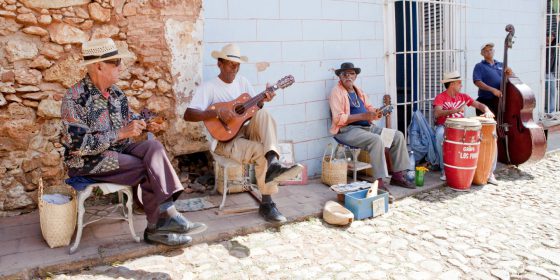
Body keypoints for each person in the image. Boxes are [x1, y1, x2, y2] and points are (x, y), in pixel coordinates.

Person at [61, 38, 206, 247]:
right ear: (98, 66)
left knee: (153, 147)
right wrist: (119, 133)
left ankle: (165, 215)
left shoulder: (117, 94)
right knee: (147, 167)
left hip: (119, 152)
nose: (121, 66)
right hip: (87, 162)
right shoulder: (74, 98)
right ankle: (159, 225)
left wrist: (146, 124)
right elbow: (79, 145)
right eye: (116, 62)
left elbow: (130, 119)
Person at [183, 43, 302, 223]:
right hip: (225, 141)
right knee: (261, 150)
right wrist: (216, 112)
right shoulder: (209, 87)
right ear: (220, 64)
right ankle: (267, 203)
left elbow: (252, 111)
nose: (235, 69)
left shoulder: (243, 82)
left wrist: (263, 100)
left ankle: (273, 162)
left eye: (237, 65)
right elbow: (188, 114)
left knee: (263, 113)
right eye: (231, 64)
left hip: (245, 130)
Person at [328, 62, 415, 192]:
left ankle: (397, 175)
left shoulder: (359, 91)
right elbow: (338, 118)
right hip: (347, 130)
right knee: (376, 140)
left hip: (367, 128)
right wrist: (364, 116)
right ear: (339, 77)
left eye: (351, 73)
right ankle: (378, 181)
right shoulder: (336, 92)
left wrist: (377, 112)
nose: (348, 77)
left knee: (397, 136)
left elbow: (370, 110)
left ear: (356, 76)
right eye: (344, 74)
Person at [434, 70, 496, 183]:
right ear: (452, 84)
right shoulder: (441, 97)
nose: (461, 85)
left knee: (491, 138)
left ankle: (489, 172)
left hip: (461, 128)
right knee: (439, 135)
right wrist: (456, 110)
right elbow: (437, 113)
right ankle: (445, 169)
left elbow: (479, 105)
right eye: (459, 82)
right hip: (445, 127)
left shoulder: (463, 97)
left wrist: (487, 111)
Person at [472, 42, 513, 116]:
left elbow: (509, 80)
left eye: (490, 50)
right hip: (486, 101)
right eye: (486, 51)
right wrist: (492, 90)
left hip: (501, 101)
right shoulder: (479, 66)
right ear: (482, 54)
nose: (489, 52)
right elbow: (477, 82)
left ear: (494, 51)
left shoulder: (501, 64)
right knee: (487, 126)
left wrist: (510, 74)